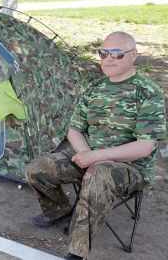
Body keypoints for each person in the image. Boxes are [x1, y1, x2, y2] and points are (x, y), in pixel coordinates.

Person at [25, 31, 167, 260]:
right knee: (37, 168)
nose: (109, 58)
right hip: (90, 154)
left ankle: (77, 251)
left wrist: (95, 158)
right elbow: (74, 129)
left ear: (134, 55)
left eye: (118, 54)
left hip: (131, 167)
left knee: (98, 175)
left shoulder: (148, 93)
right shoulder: (94, 88)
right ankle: (60, 210)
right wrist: (86, 154)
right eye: (104, 53)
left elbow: (144, 148)